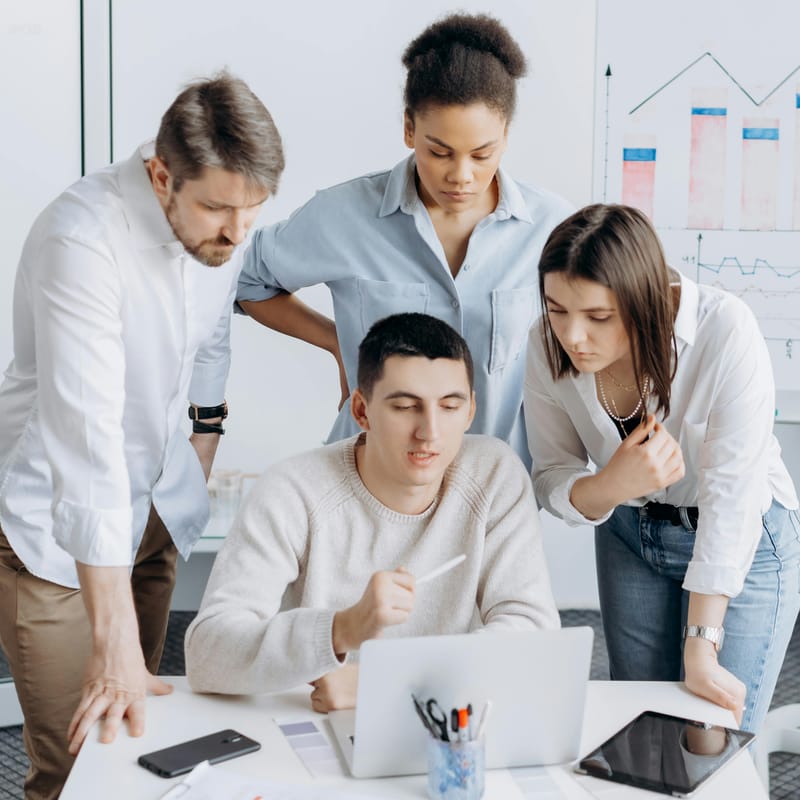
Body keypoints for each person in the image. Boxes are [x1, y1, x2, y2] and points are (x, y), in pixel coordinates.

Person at [0, 73, 284, 798]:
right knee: (74, 773)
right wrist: (114, 638)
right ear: (161, 176)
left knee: (136, 755)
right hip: (56, 537)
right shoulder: (82, 240)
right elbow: (86, 441)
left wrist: (206, 431)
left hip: (155, 503)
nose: (236, 231)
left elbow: (212, 331)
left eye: (253, 211)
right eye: (219, 209)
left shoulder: (220, 223)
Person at [236, 13, 573, 468]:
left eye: (482, 154)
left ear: (507, 136)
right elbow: (241, 277)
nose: (461, 175)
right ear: (409, 129)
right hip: (365, 483)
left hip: (493, 494)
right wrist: (336, 340)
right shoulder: (344, 215)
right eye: (439, 151)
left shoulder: (553, 228)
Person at [185, 313, 559, 709]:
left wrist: (384, 685)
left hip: (450, 722)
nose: (430, 432)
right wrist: (341, 629)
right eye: (405, 407)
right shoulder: (293, 491)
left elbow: (535, 634)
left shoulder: (494, 474)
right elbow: (207, 653)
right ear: (361, 411)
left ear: (470, 411)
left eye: (450, 406)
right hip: (320, 720)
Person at [523, 203, 800, 732]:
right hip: (630, 534)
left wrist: (701, 646)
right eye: (558, 309)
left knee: (710, 736)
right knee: (639, 730)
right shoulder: (545, 342)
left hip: (743, 542)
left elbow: (732, 499)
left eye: (598, 317)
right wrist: (610, 485)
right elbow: (551, 473)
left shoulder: (725, 330)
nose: (572, 336)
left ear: (644, 303)